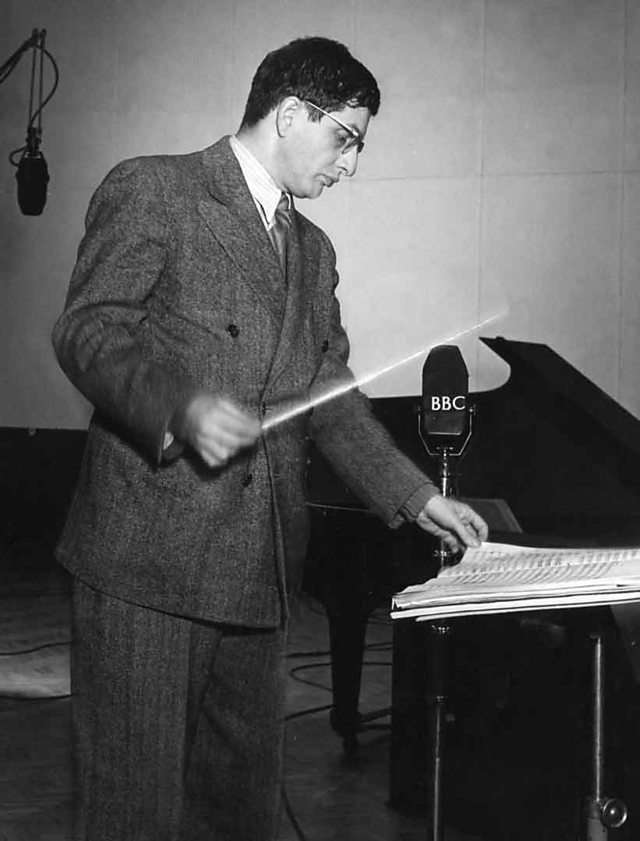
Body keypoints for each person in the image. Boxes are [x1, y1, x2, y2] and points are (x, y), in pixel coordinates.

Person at [52, 35, 488, 841]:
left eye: (359, 147)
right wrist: (180, 407)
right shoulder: (156, 190)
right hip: (147, 567)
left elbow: (331, 401)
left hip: (259, 574)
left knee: (240, 817)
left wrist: (414, 495)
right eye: (345, 138)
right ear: (290, 114)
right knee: (133, 815)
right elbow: (89, 330)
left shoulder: (313, 251)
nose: (350, 165)